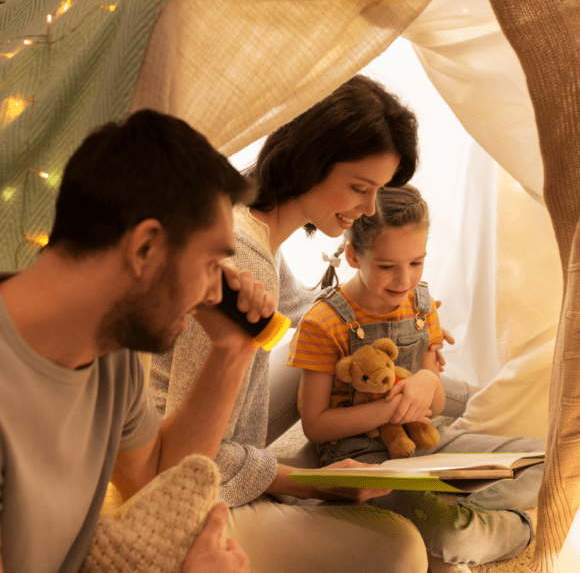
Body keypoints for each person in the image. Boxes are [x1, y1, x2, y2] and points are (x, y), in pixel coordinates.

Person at [150, 75, 431, 572]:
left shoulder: (241, 215)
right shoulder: (245, 256)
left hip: (206, 445)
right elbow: (190, 462)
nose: (368, 209)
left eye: (378, 191)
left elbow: (301, 310)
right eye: (360, 189)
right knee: (402, 549)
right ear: (310, 161)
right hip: (173, 498)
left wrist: (406, 336)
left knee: (344, 360)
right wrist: (309, 482)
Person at [0, 109, 281, 573]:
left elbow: (156, 478)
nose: (216, 293)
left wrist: (233, 349)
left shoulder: (110, 353)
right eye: (212, 264)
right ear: (146, 247)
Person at [287, 184, 545, 570]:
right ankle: (522, 526)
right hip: (364, 464)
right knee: (451, 535)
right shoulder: (322, 323)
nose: (403, 280)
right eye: (388, 266)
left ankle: (458, 496)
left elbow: (434, 407)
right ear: (354, 255)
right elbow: (316, 426)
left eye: (416, 263)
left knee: (551, 459)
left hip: (426, 443)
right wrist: (391, 410)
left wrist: (428, 382)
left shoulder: (421, 303)